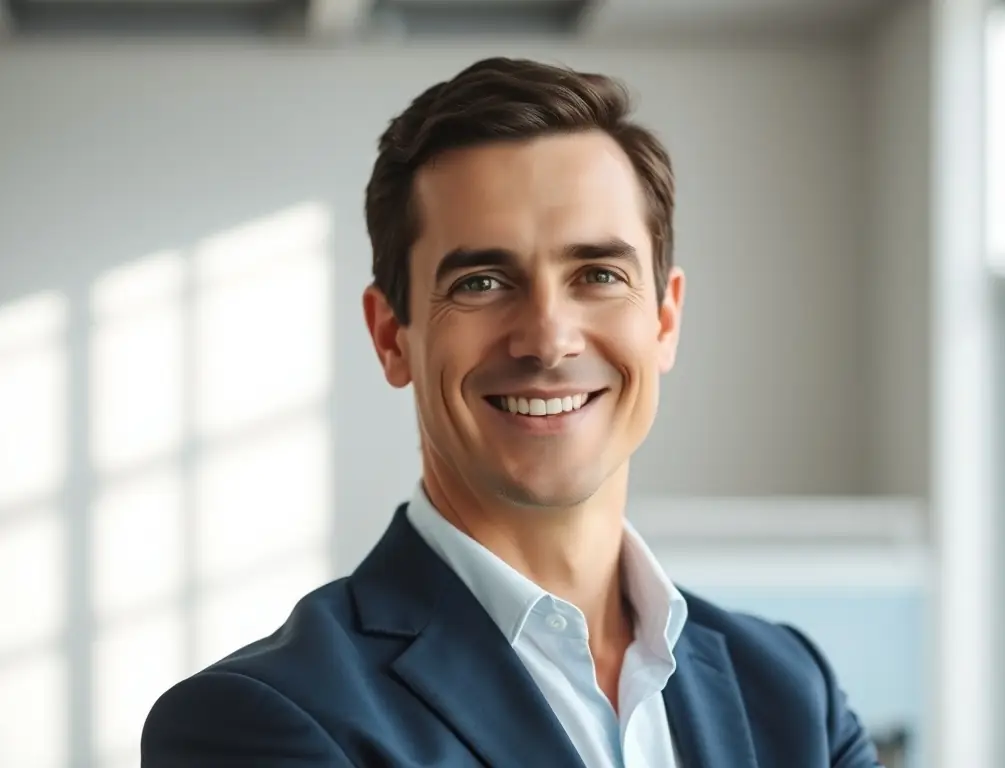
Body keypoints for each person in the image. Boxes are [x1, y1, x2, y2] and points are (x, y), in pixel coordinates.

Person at [141, 57, 882, 768]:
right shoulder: (257, 722)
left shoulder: (790, 692)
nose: (548, 339)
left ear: (664, 321)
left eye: (597, 274)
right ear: (390, 336)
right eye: (483, 281)